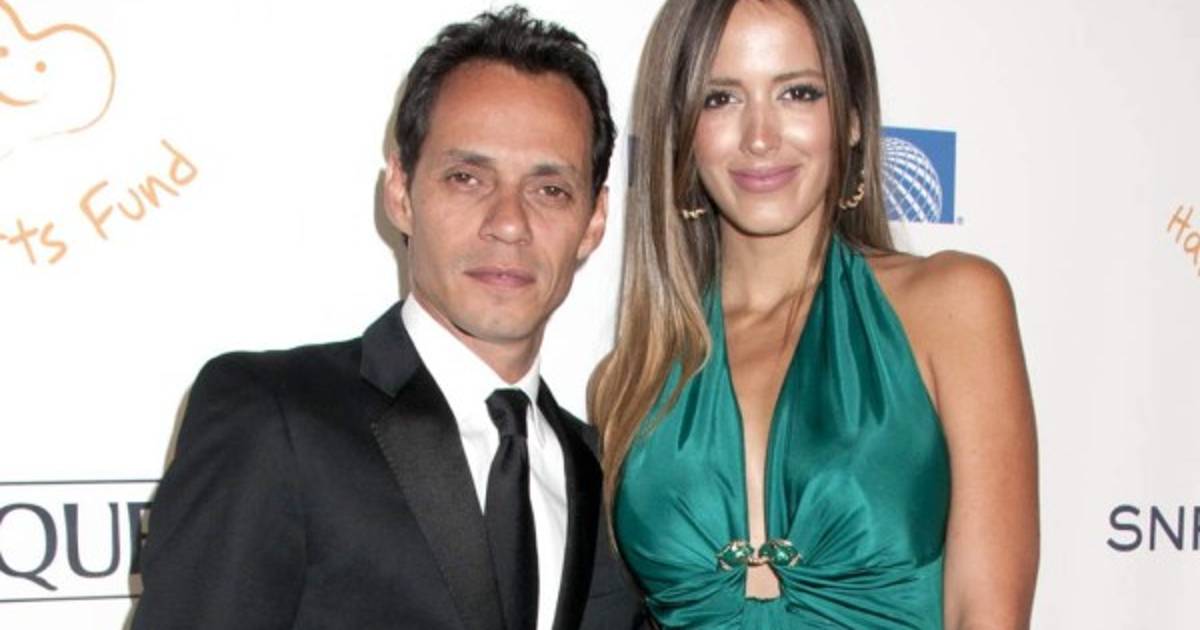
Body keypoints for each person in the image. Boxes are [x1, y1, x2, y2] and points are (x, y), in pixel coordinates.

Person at [132, 7, 644, 630]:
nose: (509, 223)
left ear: (594, 220)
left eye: (549, 190)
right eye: (467, 178)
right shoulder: (274, 417)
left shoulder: (607, 475)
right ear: (401, 192)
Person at [589, 0, 1039, 627]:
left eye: (798, 93)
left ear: (852, 116)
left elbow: (987, 615)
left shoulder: (953, 306)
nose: (760, 137)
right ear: (682, 131)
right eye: (721, 99)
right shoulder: (628, 380)